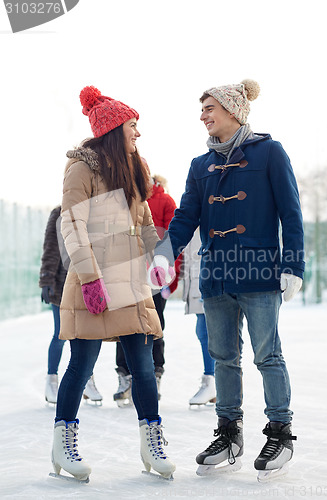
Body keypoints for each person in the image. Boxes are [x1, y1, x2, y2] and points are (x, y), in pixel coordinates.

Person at [147, 79, 304, 480]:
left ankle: (280, 432)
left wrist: (293, 265)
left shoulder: (270, 153)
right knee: (223, 358)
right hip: (215, 275)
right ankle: (229, 431)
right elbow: (185, 218)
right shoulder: (201, 166)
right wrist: (165, 254)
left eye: (208, 108)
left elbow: (291, 213)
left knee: (267, 355)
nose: (202, 116)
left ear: (233, 111)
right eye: (201, 109)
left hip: (259, 272)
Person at [51, 85, 176, 482]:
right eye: (132, 126)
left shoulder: (136, 168)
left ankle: (152, 443)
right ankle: (63, 445)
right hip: (96, 282)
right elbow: (72, 225)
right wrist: (89, 279)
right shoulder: (82, 169)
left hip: (131, 281)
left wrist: (157, 258)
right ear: (113, 128)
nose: (138, 134)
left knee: (142, 366)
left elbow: (142, 222)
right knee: (82, 363)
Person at [113, 174, 180, 404]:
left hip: (155, 279)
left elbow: (174, 240)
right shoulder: (125, 199)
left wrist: (172, 279)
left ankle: (154, 374)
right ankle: (125, 377)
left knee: (154, 325)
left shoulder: (166, 201)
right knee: (124, 326)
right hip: (127, 277)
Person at [39, 206, 102, 405]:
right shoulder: (59, 213)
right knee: (60, 333)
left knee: (88, 334)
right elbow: (50, 247)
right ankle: (52, 381)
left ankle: (87, 380)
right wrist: (46, 279)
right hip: (61, 284)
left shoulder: (94, 212)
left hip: (87, 284)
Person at [181, 228, 215, 407]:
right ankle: (213, 381)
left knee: (208, 331)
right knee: (203, 331)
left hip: (212, 277)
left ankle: (215, 382)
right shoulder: (194, 207)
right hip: (198, 278)